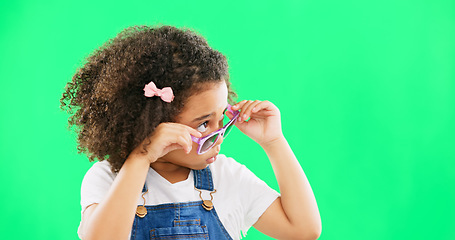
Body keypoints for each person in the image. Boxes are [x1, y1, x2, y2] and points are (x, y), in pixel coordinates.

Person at [61, 25, 321, 240]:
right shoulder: (110, 178)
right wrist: (141, 157)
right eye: (203, 125)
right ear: (153, 123)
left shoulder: (225, 177)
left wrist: (274, 141)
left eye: (222, 120)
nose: (218, 137)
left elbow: (303, 230)